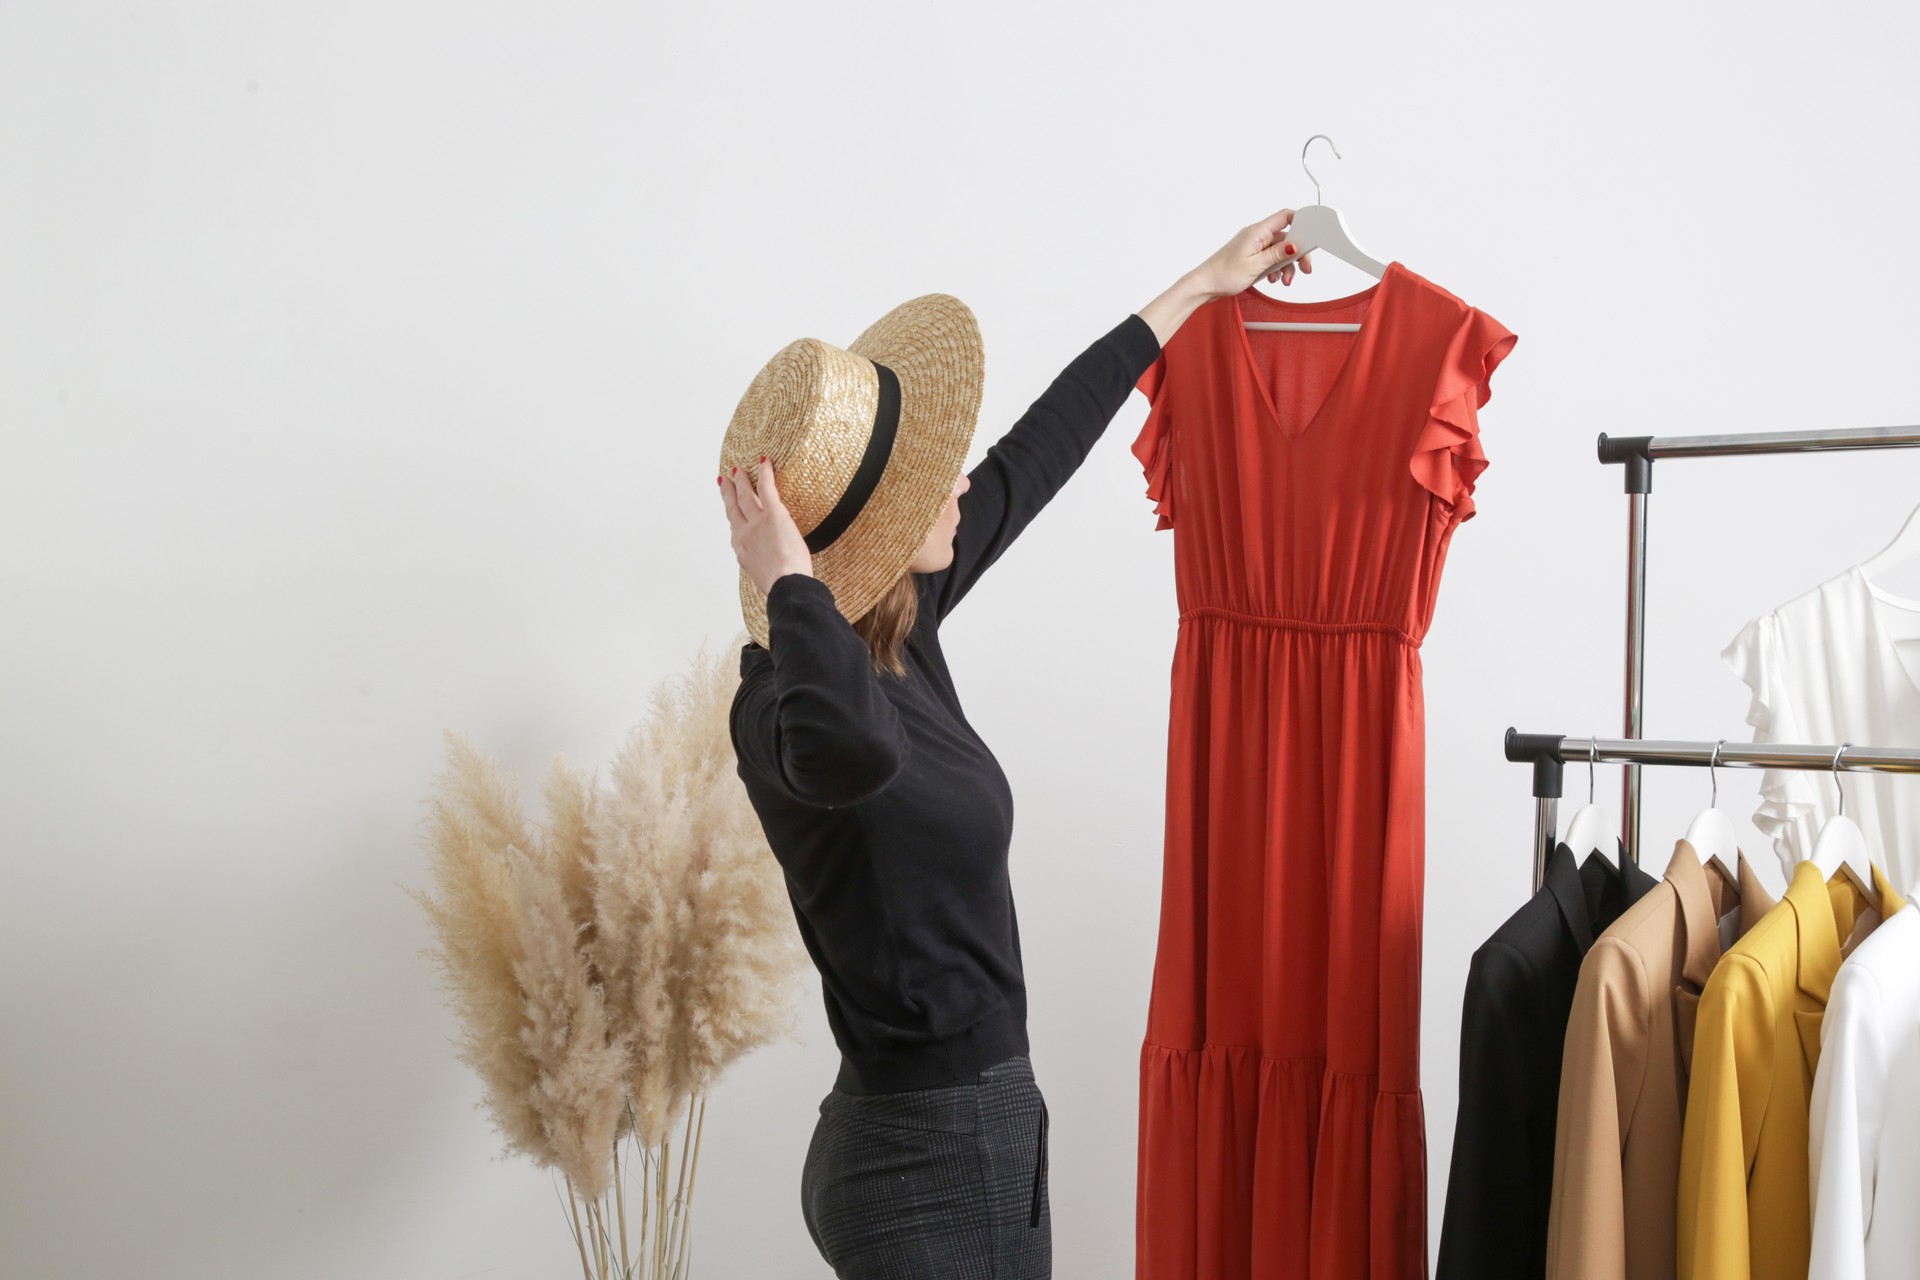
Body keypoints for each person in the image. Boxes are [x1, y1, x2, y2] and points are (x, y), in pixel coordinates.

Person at [715, 211, 1317, 1279]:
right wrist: (790, 583)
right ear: (869, 532)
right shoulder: (781, 707)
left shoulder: (905, 626)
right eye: (927, 479)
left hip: (958, 1130)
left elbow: (1039, 449)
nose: (960, 483)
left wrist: (1196, 287)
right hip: (929, 1154)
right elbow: (854, 754)